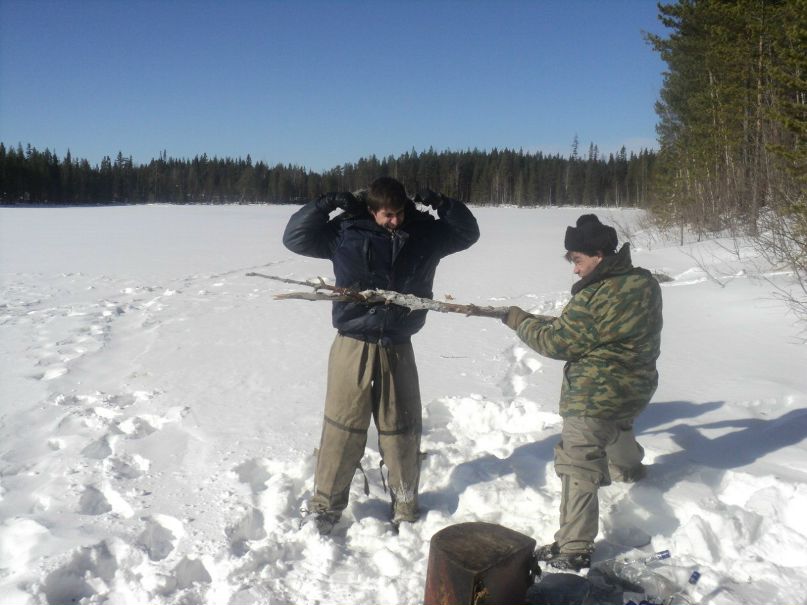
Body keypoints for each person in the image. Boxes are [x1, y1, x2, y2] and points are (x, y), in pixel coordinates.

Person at [282, 176, 480, 534]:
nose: (395, 221)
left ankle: (405, 505)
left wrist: (440, 201)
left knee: (401, 428)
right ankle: (326, 507)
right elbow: (295, 238)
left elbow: (468, 234)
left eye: (400, 213)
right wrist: (325, 204)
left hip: (398, 345)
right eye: (387, 215)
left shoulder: (424, 233)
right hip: (352, 343)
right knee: (343, 427)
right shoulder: (346, 231)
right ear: (371, 210)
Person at [501, 214, 663, 571]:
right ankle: (630, 471)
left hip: (595, 393)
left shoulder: (594, 296)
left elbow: (556, 341)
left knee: (579, 460)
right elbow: (603, 328)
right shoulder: (644, 283)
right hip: (636, 386)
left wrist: (519, 321)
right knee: (618, 426)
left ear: (599, 254)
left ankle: (573, 547)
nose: (574, 270)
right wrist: (544, 320)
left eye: (577, 260)